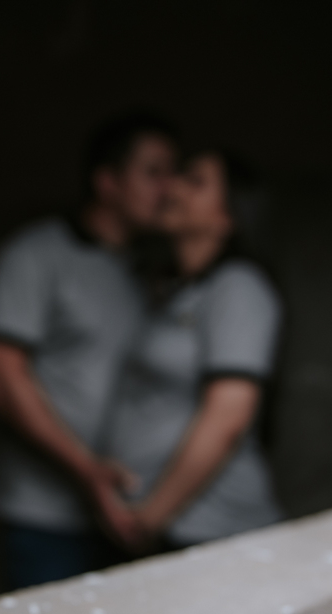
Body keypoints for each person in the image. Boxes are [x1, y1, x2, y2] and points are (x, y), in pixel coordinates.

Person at [0, 112, 177, 588]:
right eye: (153, 172)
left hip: (129, 511)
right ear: (107, 183)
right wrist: (87, 473)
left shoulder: (151, 272)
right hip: (44, 517)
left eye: (175, 172)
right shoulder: (36, 254)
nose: (169, 188)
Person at [106, 147, 283, 550]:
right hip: (165, 527)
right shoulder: (177, 292)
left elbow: (228, 416)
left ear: (227, 217)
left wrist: (149, 518)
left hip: (210, 531)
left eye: (194, 181)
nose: (172, 187)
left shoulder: (238, 287)